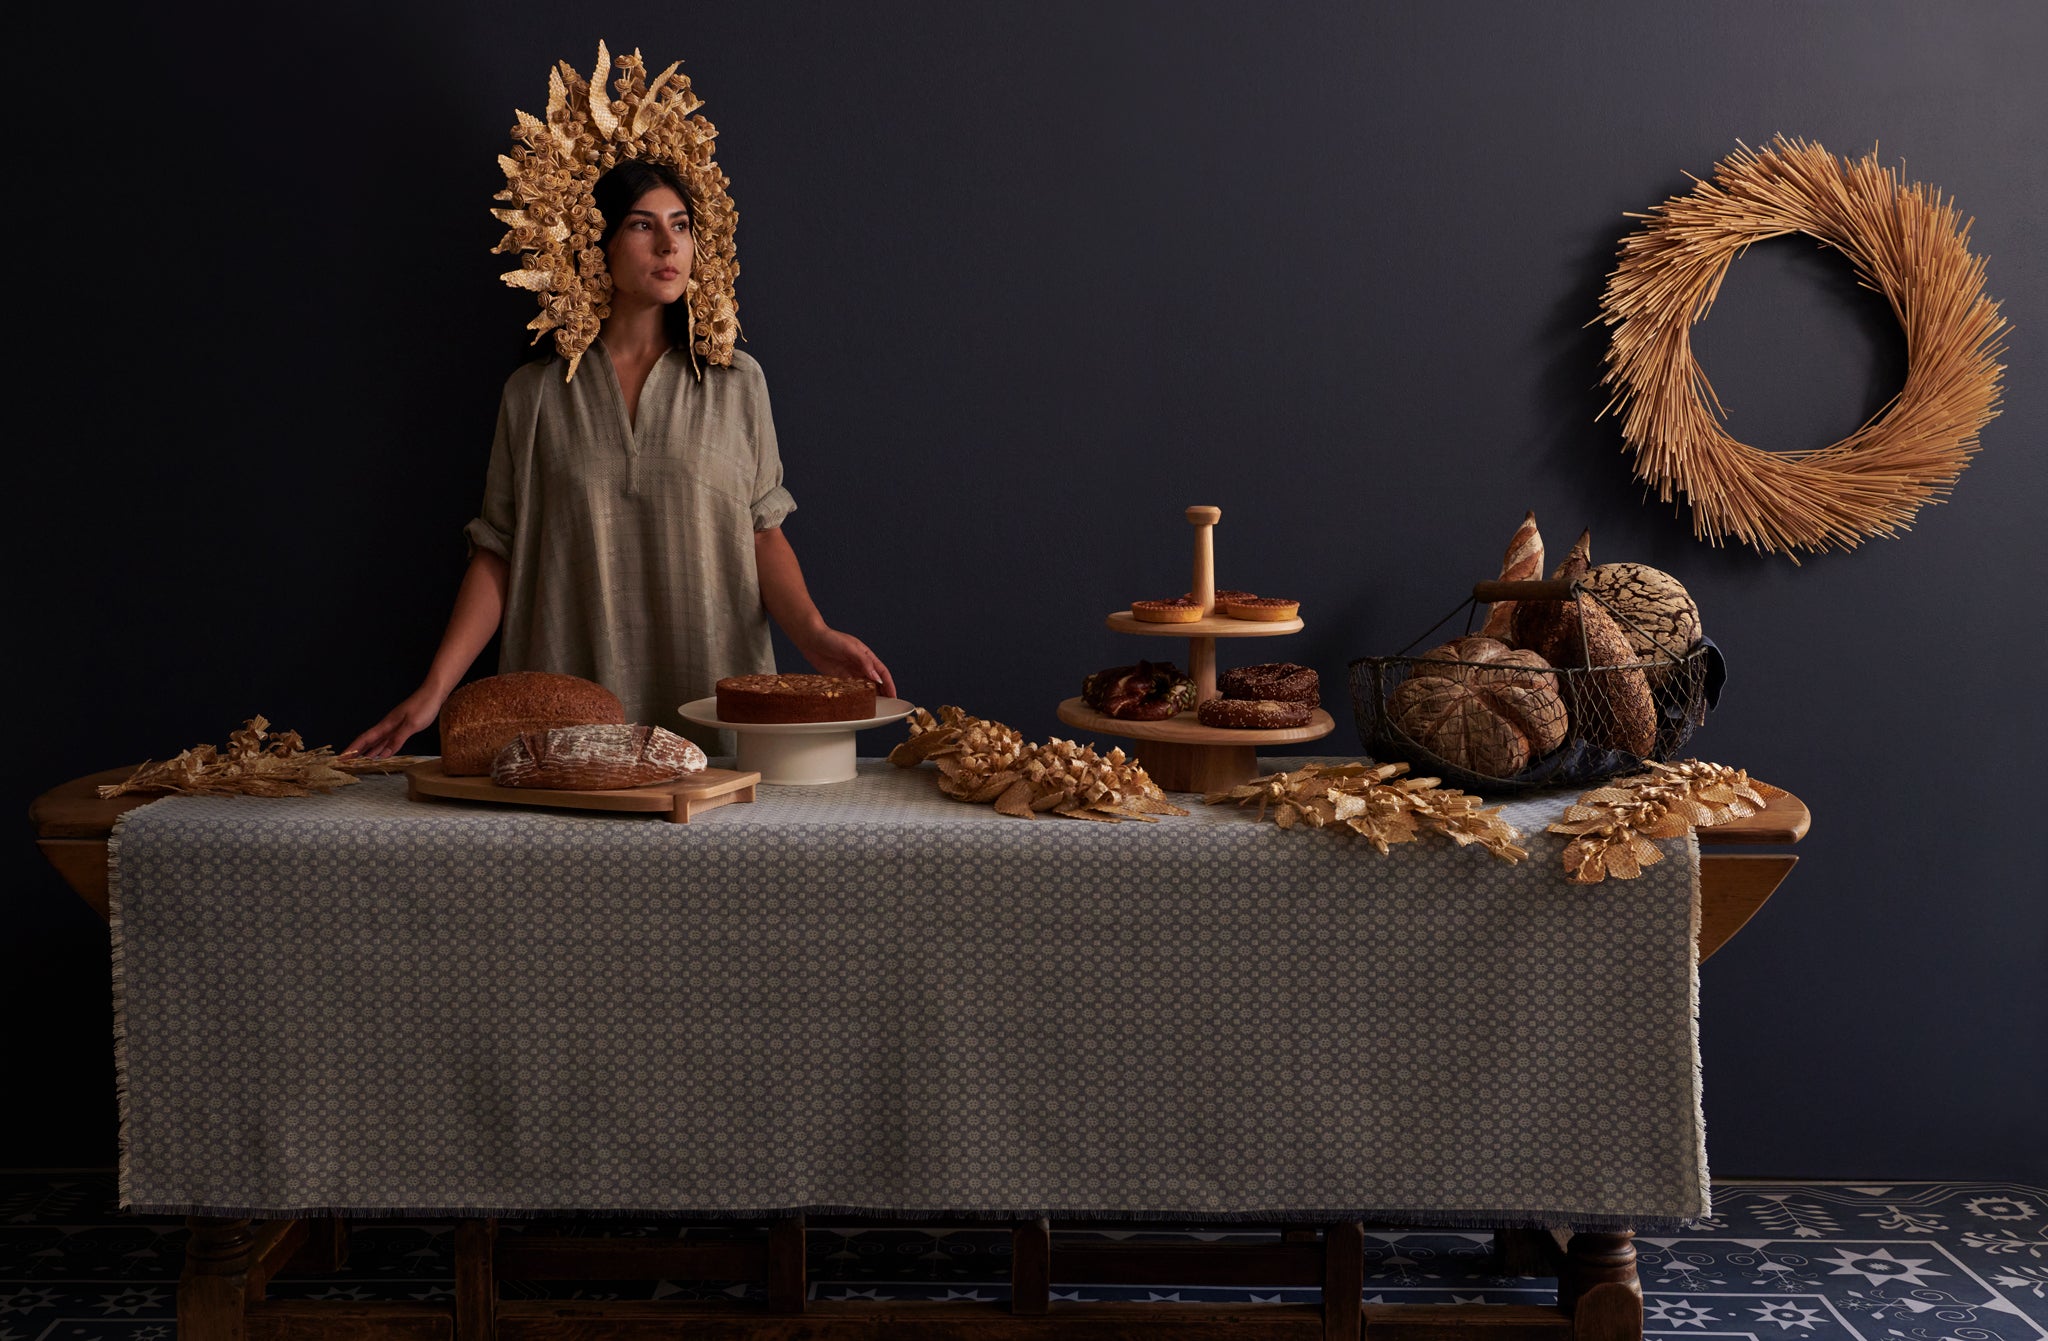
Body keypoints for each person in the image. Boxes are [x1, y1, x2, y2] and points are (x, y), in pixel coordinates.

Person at [348, 159, 893, 759]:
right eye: (641, 226)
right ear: (593, 243)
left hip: (709, 722)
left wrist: (813, 636)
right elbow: (497, 554)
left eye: (681, 225)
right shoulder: (533, 397)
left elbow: (762, 536)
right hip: (566, 731)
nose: (668, 245)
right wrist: (433, 693)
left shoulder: (735, 382)